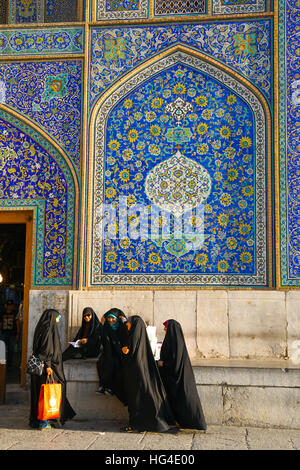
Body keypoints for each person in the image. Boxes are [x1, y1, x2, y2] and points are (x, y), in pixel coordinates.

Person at [120, 315, 176, 433]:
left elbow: (131, 354)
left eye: (128, 323)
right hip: (136, 377)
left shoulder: (135, 339)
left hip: (137, 377)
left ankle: (136, 424)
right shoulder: (136, 339)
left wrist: (126, 351)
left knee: (137, 401)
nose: (127, 325)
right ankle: (136, 423)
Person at [29, 309, 76, 430]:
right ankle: (46, 421)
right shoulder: (47, 330)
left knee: (41, 392)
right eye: (57, 317)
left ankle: (41, 419)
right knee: (48, 393)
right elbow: (47, 350)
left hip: (40, 367)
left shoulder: (41, 327)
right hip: (49, 367)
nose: (58, 319)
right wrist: (49, 366)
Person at [157, 319, 207, 431]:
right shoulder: (172, 340)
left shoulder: (176, 342)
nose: (164, 329)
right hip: (174, 377)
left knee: (184, 400)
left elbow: (176, 361)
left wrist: (163, 363)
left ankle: (193, 422)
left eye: (166, 327)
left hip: (178, 377)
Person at [96, 308, 127, 405]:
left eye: (113, 318)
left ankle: (109, 387)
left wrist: (125, 321)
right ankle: (104, 386)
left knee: (115, 364)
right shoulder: (106, 327)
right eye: (109, 318)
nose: (110, 320)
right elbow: (100, 339)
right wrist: (101, 325)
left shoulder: (122, 328)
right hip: (108, 353)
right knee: (103, 362)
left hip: (120, 353)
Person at [0, 299, 20, 371]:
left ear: (13, 306)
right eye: (8, 305)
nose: (9, 307)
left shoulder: (14, 313)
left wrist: (18, 333)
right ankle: (2, 365)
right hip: (4, 333)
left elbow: (17, 323)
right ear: (6, 306)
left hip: (12, 334)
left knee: (11, 350)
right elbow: (1, 323)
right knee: (2, 350)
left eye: (11, 305)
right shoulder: (2, 313)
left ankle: (9, 365)